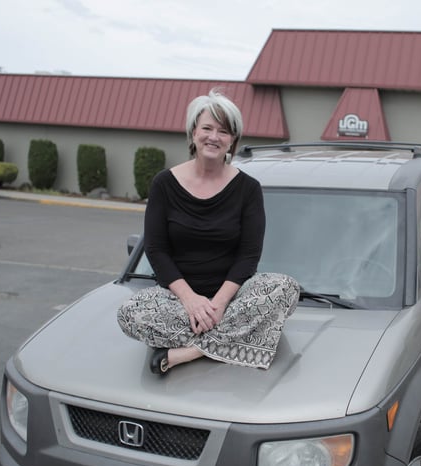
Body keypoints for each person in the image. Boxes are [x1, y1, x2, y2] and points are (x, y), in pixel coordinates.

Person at [117, 89, 299, 374]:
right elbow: (156, 250)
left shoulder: (248, 189)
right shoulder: (164, 184)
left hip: (234, 299)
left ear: (232, 141)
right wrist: (191, 301)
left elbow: (249, 255)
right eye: (207, 128)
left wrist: (217, 306)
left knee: (285, 288)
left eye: (224, 131)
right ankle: (235, 344)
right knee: (130, 313)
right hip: (177, 300)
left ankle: (189, 353)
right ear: (193, 133)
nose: (214, 137)